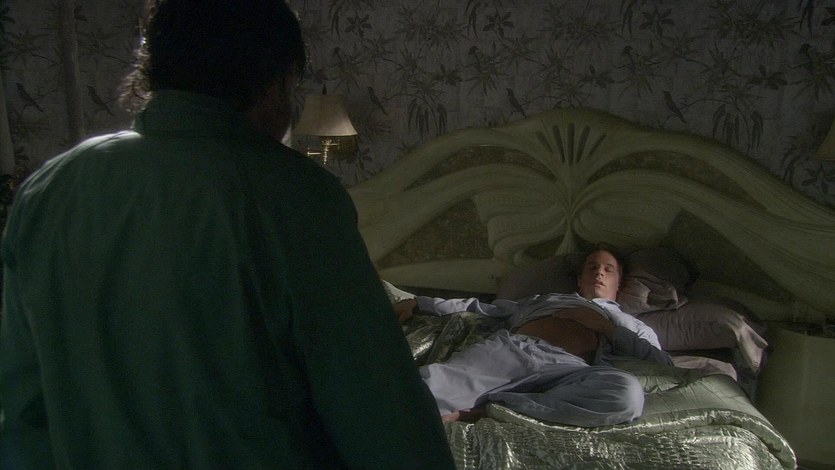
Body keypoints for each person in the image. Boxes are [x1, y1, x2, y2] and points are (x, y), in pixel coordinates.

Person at [0, 1, 455, 468]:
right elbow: (377, 405)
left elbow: (21, 410)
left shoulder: (48, 189)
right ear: (277, 80)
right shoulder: (292, 195)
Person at [394, 246, 672, 427]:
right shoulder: (546, 299)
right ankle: (494, 405)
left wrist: (608, 329)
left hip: (571, 370)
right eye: (591, 266)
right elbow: (481, 308)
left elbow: (663, 366)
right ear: (579, 279)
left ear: (618, 283)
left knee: (627, 395)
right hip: (516, 351)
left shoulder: (631, 324)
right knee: (421, 395)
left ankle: (501, 408)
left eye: (608, 269)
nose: (599, 271)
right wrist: (420, 302)